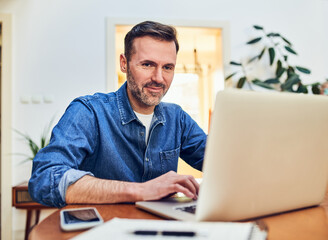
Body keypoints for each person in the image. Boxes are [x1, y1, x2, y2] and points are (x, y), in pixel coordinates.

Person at [29, 21, 207, 208]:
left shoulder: (177, 118)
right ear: (124, 63)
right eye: (147, 64)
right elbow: (45, 178)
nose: (159, 78)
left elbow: (220, 162)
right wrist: (142, 190)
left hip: (161, 229)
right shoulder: (89, 112)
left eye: (168, 67)